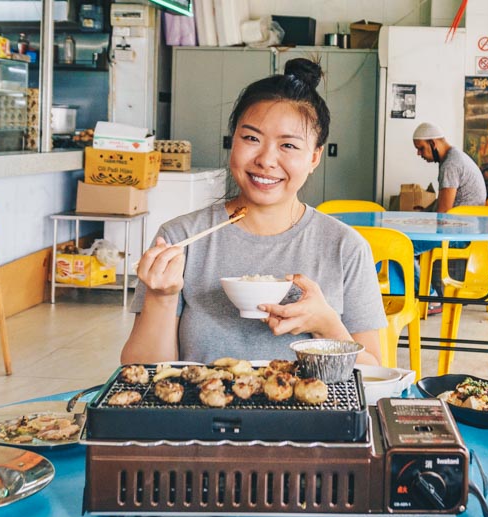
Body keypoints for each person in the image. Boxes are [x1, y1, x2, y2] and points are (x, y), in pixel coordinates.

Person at [120, 58, 386, 366]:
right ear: (232, 141)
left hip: (310, 415)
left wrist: (327, 326)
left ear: (314, 158)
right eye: (251, 138)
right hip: (202, 413)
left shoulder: (345, 247)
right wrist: (161, 297)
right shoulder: (180, 239)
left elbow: (374, 372)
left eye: (288, 146)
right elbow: (140, 372)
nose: (266, 160)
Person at [412, 122, 487, 212]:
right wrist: (425, 212)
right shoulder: (453, 155)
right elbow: (442, 200)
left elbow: (443, 213)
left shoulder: (450, 165)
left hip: (462, 222)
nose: (418, 153)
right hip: (469, 219)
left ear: (432, 143)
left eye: (421, 148)